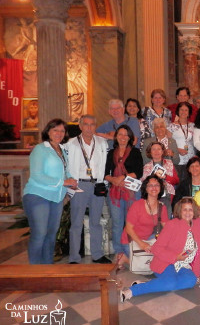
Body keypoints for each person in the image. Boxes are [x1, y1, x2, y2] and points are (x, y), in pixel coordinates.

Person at [120, 197, 200, 302]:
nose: (187, 213)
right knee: (170, 283)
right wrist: (175, 257)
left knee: (190, 281)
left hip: (183, 265)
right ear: (179, 211)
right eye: (184, 209)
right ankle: (133, 290)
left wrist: (196, 273)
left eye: (190, 209)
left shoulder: (198, 224)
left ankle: (151, 283)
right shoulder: (172, 224)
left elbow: (199, 252)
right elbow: (156, 248)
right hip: (165, 262)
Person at [23, 118, 77, 264]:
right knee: (39, 234)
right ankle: (35, 270)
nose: (59, 133)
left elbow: (65, 172)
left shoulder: (61, 150)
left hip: (56, 198)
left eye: (62, 131)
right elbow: (37, 175)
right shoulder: (40, 149)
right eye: (55, 130)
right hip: (38, 196)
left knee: (51, 235)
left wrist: (71, 180)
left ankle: (48, 268)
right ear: (48, 131)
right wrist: (63, 182)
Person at [65, 114, 111, 264]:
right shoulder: (71, 144)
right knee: (77, 222)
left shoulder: (102, 142)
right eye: (86, 124)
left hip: (97, 184)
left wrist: (104, 182)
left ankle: (97, 254)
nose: (89, 127)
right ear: (80, 126)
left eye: (92, 124)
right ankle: (74, 257)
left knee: (96, 221)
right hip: (79, 184)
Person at [104, 125, 143, 269]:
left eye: (126, 135)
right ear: (116, 137)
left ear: (130, 137)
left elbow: (138, 172)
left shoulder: (135, 152)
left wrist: (123, 177)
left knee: (131, 223)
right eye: (120, 134)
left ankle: (131, 251)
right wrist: (113, 180)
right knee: (117, 223)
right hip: (114, 192)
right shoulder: (110, 153)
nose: (122, 137)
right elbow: (106, 173)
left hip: (132, 191)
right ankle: (119, 252)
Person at [121, 175, 169, 262]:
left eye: (157, 185)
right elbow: (128, 228)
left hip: (148, 239)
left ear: (161, 188)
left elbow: (167, 228)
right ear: (146, 189)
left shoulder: (162, 207)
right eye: (150, 185)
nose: (154, 188)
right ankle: (125, 259)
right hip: (131, 241)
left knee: (159, 260)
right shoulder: (137, 205)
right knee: (146, 265)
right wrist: (141, 244)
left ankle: (129, 259)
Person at [141, 142, 179, 217]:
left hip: (166, 195)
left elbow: (176, 180)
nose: (156, 151)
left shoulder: (169, 163)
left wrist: (165, 177)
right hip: (151, 196)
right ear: (150, 152)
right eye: (153, 149)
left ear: (162, 151)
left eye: (159, 149)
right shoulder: (146, 167)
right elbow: (143, 185)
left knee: (166, 220)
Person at [167, 102, 195, 183]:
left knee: (188, 182)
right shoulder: (171, 126)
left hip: (190, 158)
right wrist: (177, 149)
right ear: (178, 111)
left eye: (186, 110)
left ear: (189, 112)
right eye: (181, 110)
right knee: (177, 182)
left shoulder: (192, 125)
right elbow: (167, 143)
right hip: (177, 158)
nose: (183, 112)